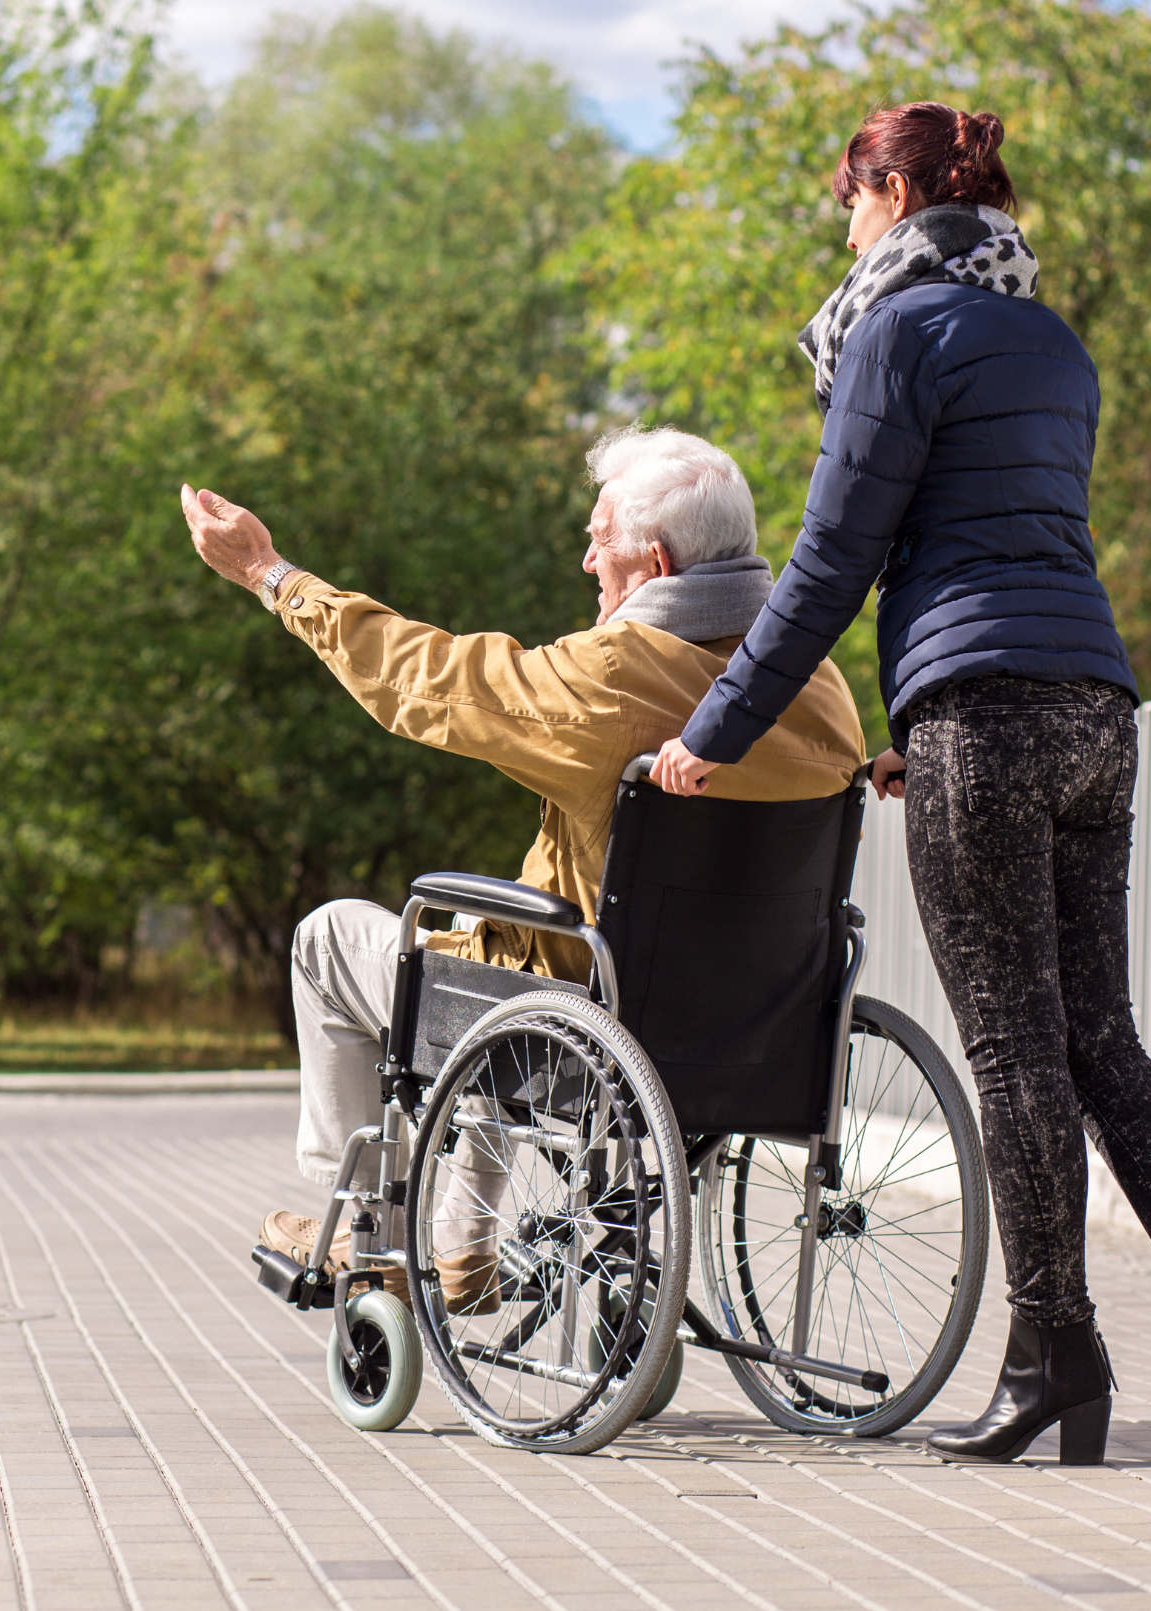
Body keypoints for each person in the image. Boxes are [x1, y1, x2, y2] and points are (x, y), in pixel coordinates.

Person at [649, 102, 1151, 1468]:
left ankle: (1052, 1351)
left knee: (1010, 1045)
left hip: (983, 715)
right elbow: (1006, 535)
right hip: (1092, 706)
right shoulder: (1055, 341)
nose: (842, 221)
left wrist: (717, 724)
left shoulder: (896, 330)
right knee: (1099, 1037)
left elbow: (835, 559)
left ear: (891, 192)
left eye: (847, 196)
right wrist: (909, 730)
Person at [179, 427, 864, 1309]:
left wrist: (273, 577)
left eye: (598, 538)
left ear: (653, 561)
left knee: (340, 941)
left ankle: (369, 1231)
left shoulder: (609, 678)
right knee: (514, 955)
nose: (586, 561)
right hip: (762, 1031)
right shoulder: (822, 687)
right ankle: (461, 1246)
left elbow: (423, 677)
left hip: (591, 1025)